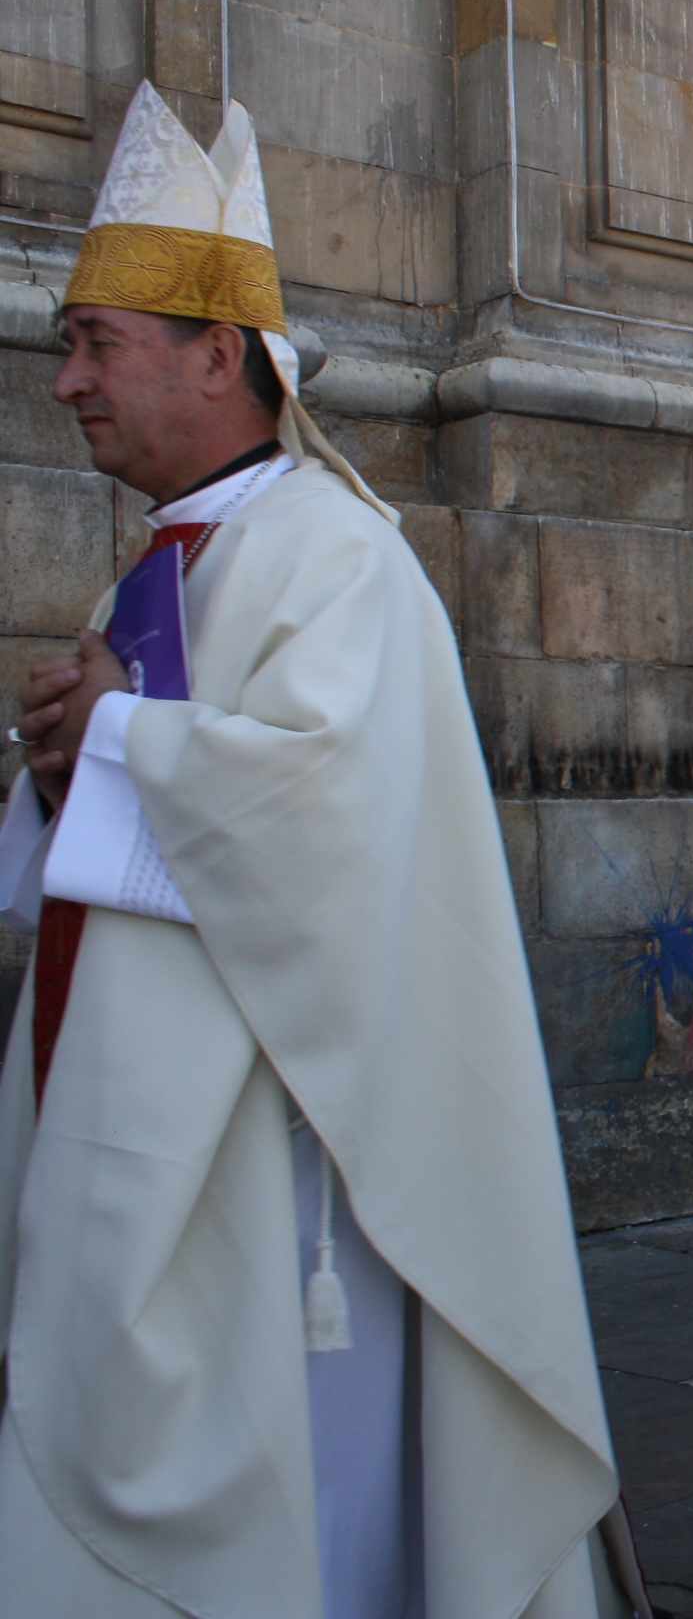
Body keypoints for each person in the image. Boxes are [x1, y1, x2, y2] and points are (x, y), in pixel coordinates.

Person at [0, 82, 630, 1613]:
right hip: (118, 1130)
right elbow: (95, 839)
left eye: (98, 343)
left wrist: (122, 740)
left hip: (282, 1170)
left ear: (218, 353)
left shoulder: (340, 557)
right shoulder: (149, 572)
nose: (66, 380)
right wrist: (44, 774)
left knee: (301, 1530)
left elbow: (335, 830)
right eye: (68, 347)